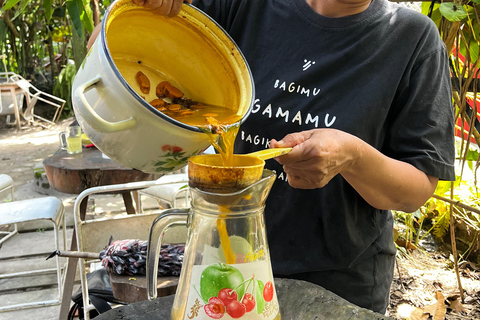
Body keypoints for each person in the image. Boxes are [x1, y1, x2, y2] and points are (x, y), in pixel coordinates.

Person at [91, 0, 455, 314]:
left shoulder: (413, 40)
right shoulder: (244, 7)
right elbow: (112, 48)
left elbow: (417, 189)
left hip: (339, 281)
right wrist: (134, 8)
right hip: (223, 265)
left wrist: (352, 156)